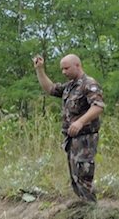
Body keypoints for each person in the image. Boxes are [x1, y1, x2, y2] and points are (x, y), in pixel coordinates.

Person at [34, 52, 103, 202]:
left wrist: (80, 122)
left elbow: (98, 107)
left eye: (66, 68)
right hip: (72, 139)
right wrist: (40, 69)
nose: (64, 72)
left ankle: (92, 211)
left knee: (84, 177)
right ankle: (83, 209)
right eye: (62, 69)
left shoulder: (89, 84)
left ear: (77, 66)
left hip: (85, 138)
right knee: (75, 179)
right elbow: (50, 88)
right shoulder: (70, 86)